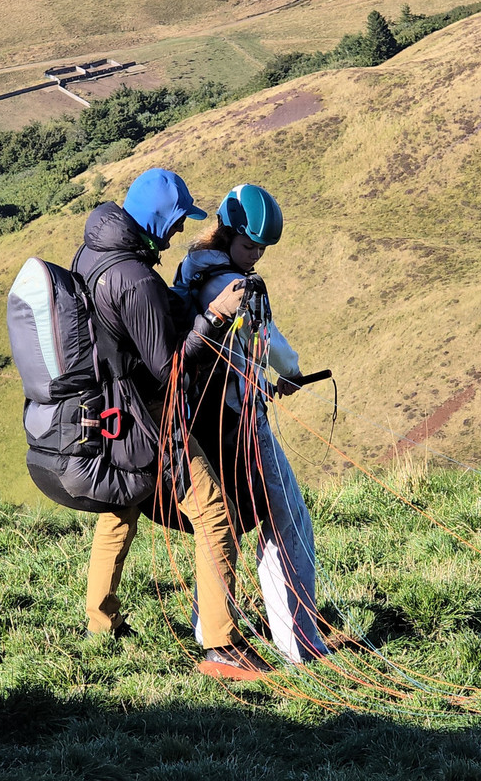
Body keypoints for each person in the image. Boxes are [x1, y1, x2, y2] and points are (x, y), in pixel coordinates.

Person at [71, 168, 271, 679]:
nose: (181, 229)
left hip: (110, 410)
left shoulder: (93, 254)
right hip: (149, 416)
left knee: (119, 510)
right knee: (215, 516)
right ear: (158, 218)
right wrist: (216, 316)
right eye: (178, 219)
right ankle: (222, 647)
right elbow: (171, 369)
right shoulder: (134, 278)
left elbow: (135, 330)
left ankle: (101, 624)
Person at [174, 183, 329, 663]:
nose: (255, 256)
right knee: (286, 523)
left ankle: (211, 626)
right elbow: (266, 342)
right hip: (241, 421)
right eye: (249, 245)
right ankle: (300, 643)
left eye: (261, 249)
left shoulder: (191, 269)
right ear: (226, 232)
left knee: (235, 519)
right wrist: (292, 372)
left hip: (205, 419)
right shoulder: (231, 284)